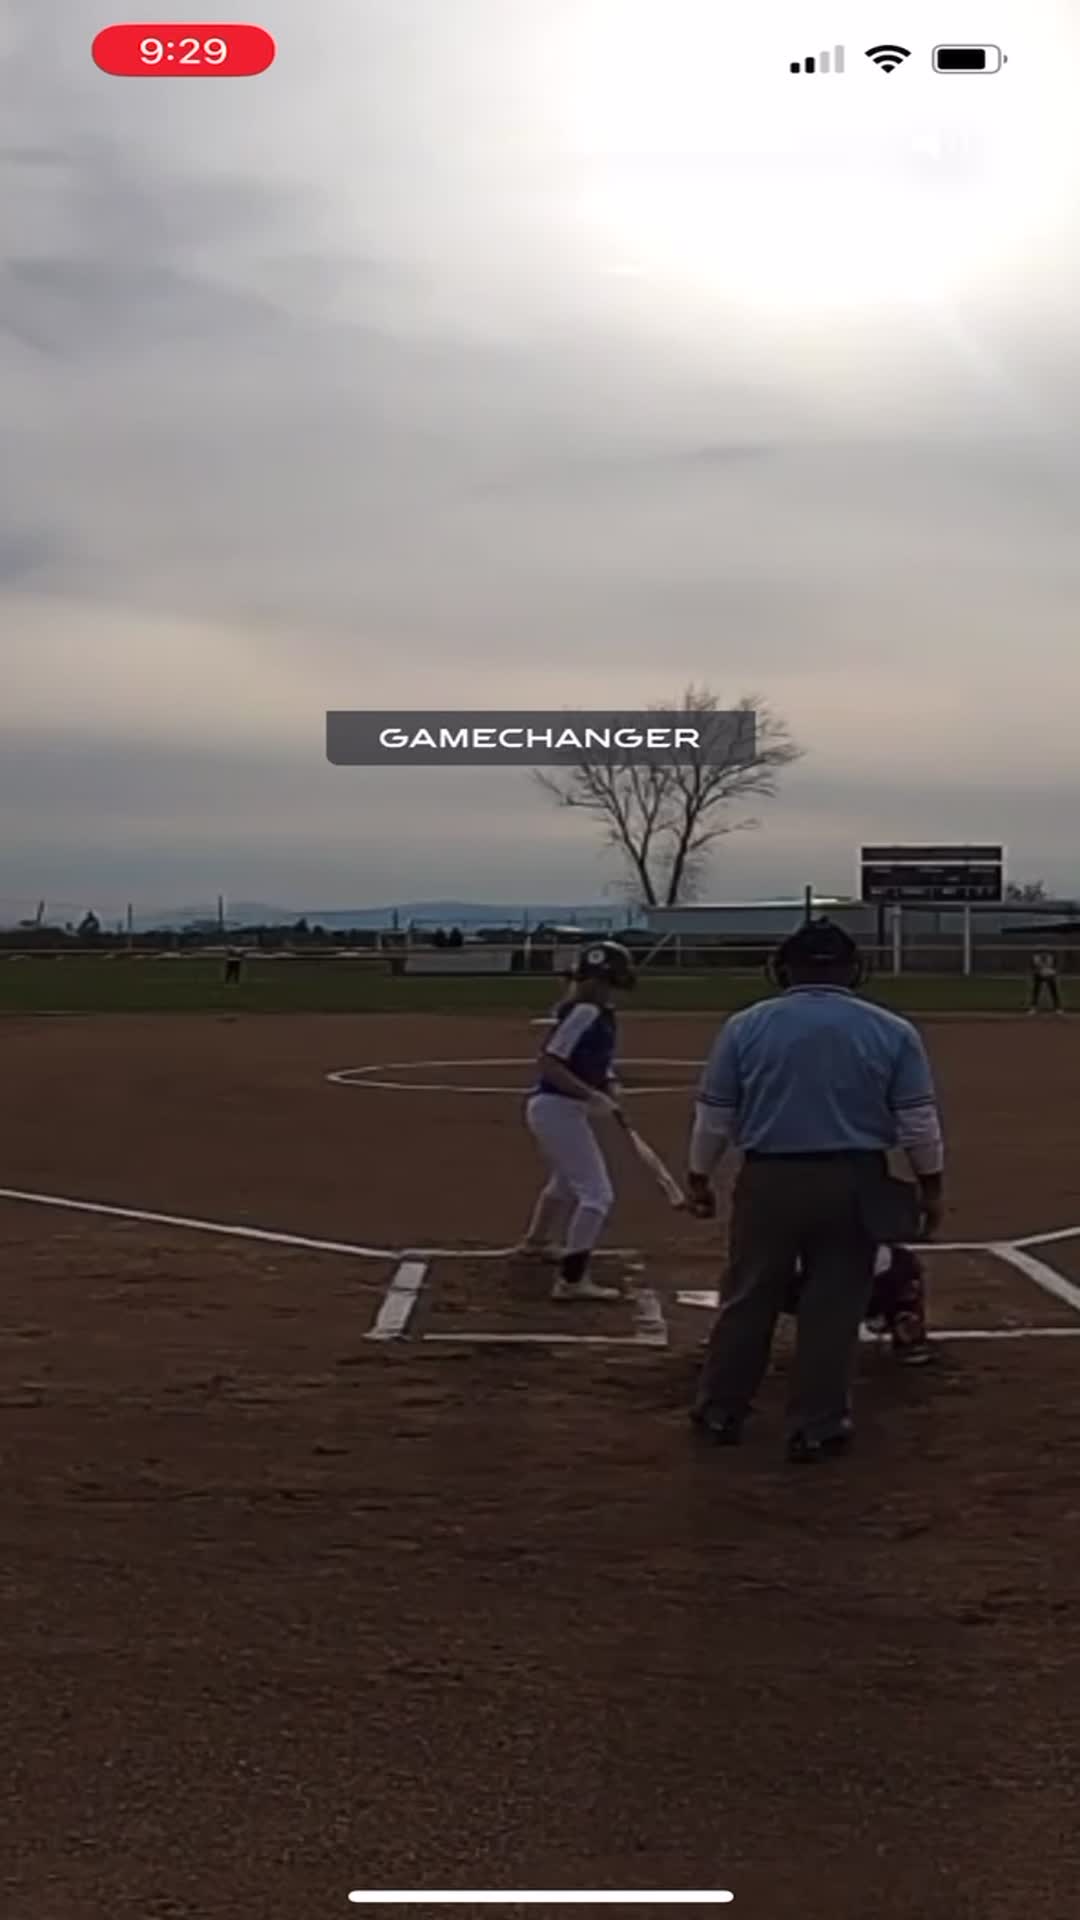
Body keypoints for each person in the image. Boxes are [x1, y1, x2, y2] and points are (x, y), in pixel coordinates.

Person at [684, 918, 945, 1463]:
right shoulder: (892, 1030)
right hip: (854, 1178)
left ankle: (720, 1410)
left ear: (784, 969)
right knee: (835, 1305)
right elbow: (918, 1123)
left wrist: (699, 1175)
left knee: (749, 1295)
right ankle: (818, 1425)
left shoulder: (745, 1026)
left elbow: (715, 1117)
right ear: (854, 969)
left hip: (769, 1178)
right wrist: (931, 1186)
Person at [515, 941, 636, 1301]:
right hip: (556, 1109)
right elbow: (550, 1063)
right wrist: (590, 1095)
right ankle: (572, 1280)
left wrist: (609, 1083)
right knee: (597, 1195)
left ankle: (536, 1242)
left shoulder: (598, 1012)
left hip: (561, 1109)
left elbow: (593, 1059)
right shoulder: (584, 1012)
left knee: (566, 1182)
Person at [784, 1240, 933, 1367]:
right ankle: (907, 1333)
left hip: (800, 1284)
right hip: (858, 1285)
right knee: (904, 1264)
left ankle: (762, 1340)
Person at [1028, 951, 1062, 1016]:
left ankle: (1058, 1008)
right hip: (1039, 975)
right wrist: (1038, 972)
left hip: (1050, 975)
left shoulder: (1051, 957)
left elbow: (1056, 967)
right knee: (1036, 989)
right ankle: (1033, 1007)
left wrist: (1052, 972)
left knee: (1053, 990)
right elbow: (1032, 968)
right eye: (1042, 952)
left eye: (1045, 952)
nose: (1043, 954)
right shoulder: (1035, 958)